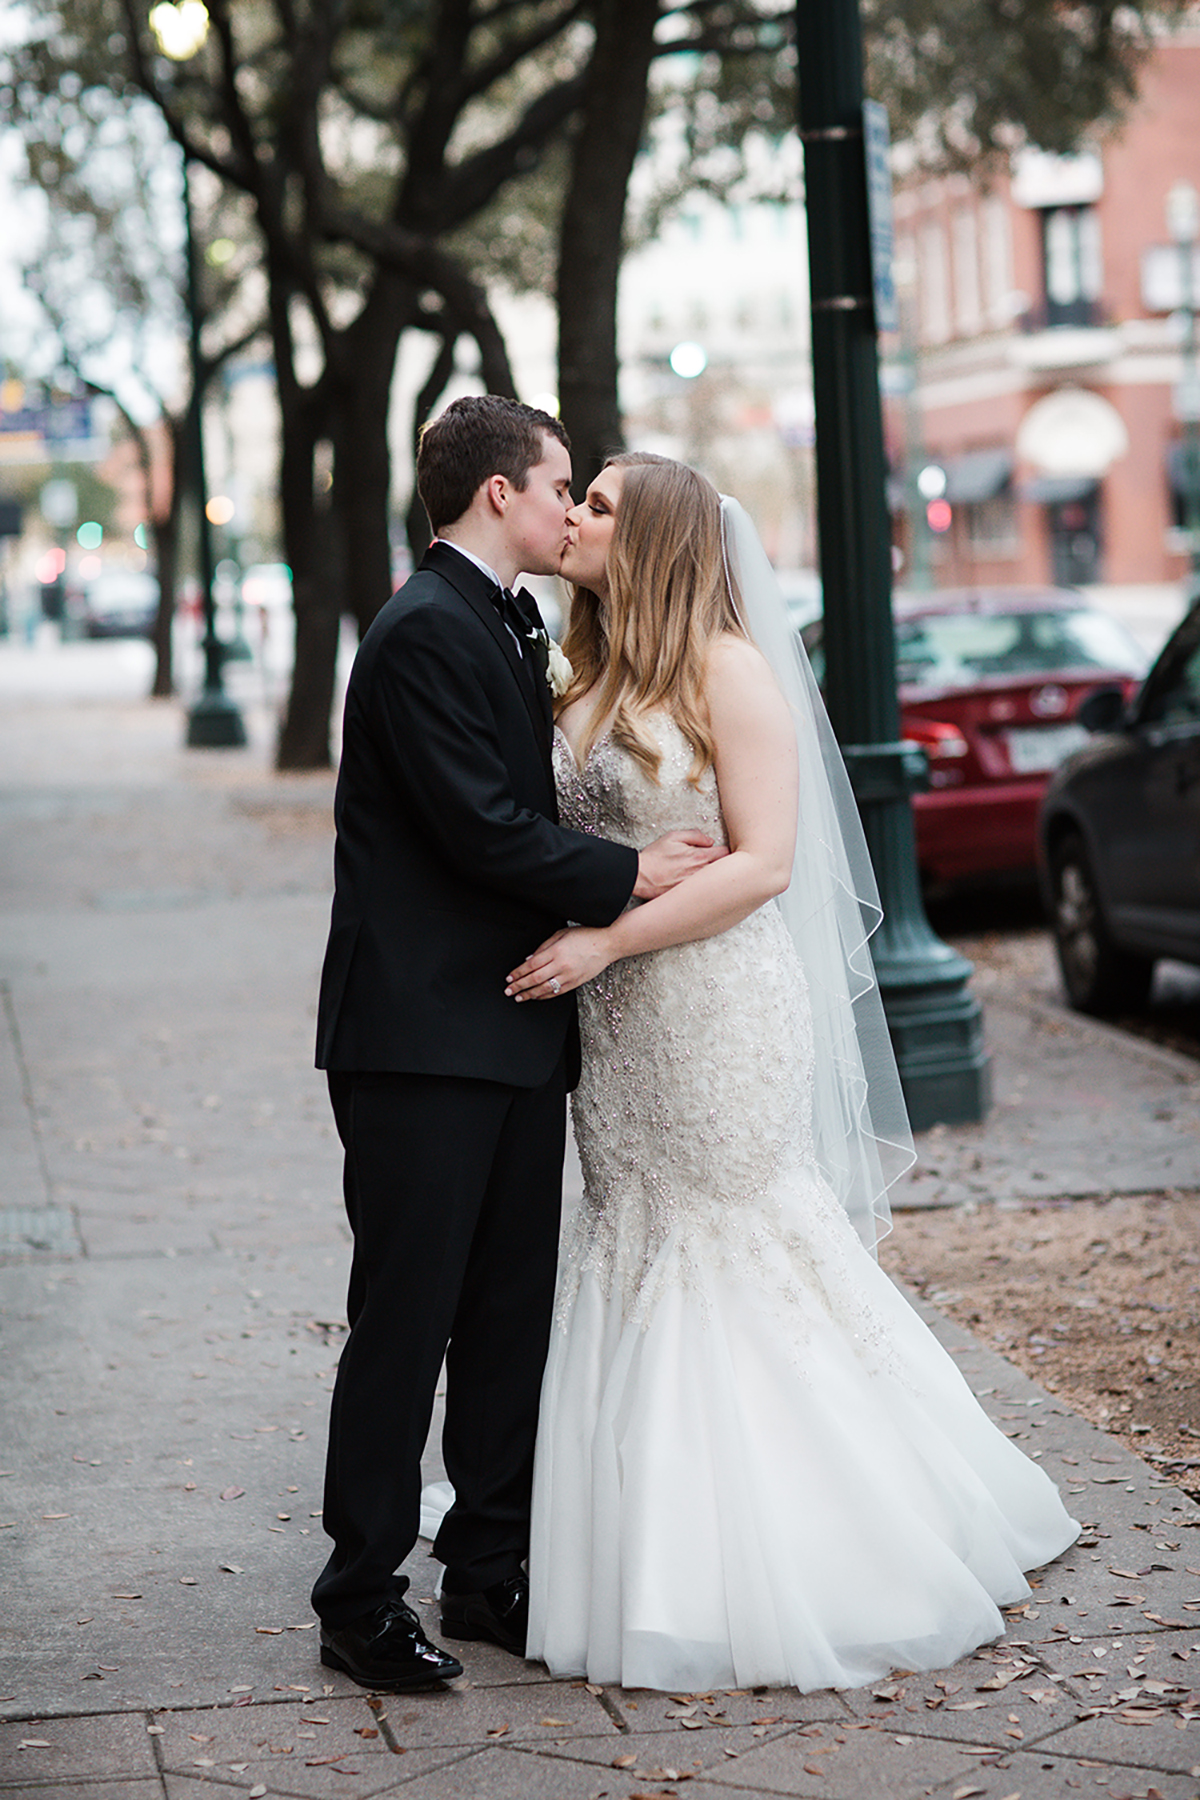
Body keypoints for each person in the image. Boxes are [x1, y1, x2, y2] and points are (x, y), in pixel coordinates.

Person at [504, 452, 1080, 1693]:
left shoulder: (729, 670)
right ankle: (627, 1535)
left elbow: (764, 865)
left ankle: (800, 1544)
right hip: (619, 1027)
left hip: (714, 1003)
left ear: (651, 537)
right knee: (631, 1229)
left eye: (598, 504)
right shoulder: (584, 673)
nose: (576, 518)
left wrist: (607, 934)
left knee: (732, 1233)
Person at [312, 403, 724, 1693]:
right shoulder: (424, 629)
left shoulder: (512, 618)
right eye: (560, 488)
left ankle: (487, 1570)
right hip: (423, 1038)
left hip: (510, 1026)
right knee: (405, 1319)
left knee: (503, 1320)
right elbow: (483, 831)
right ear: (498, 494)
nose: (569, 512)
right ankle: (359, 1596)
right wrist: (633, 871)